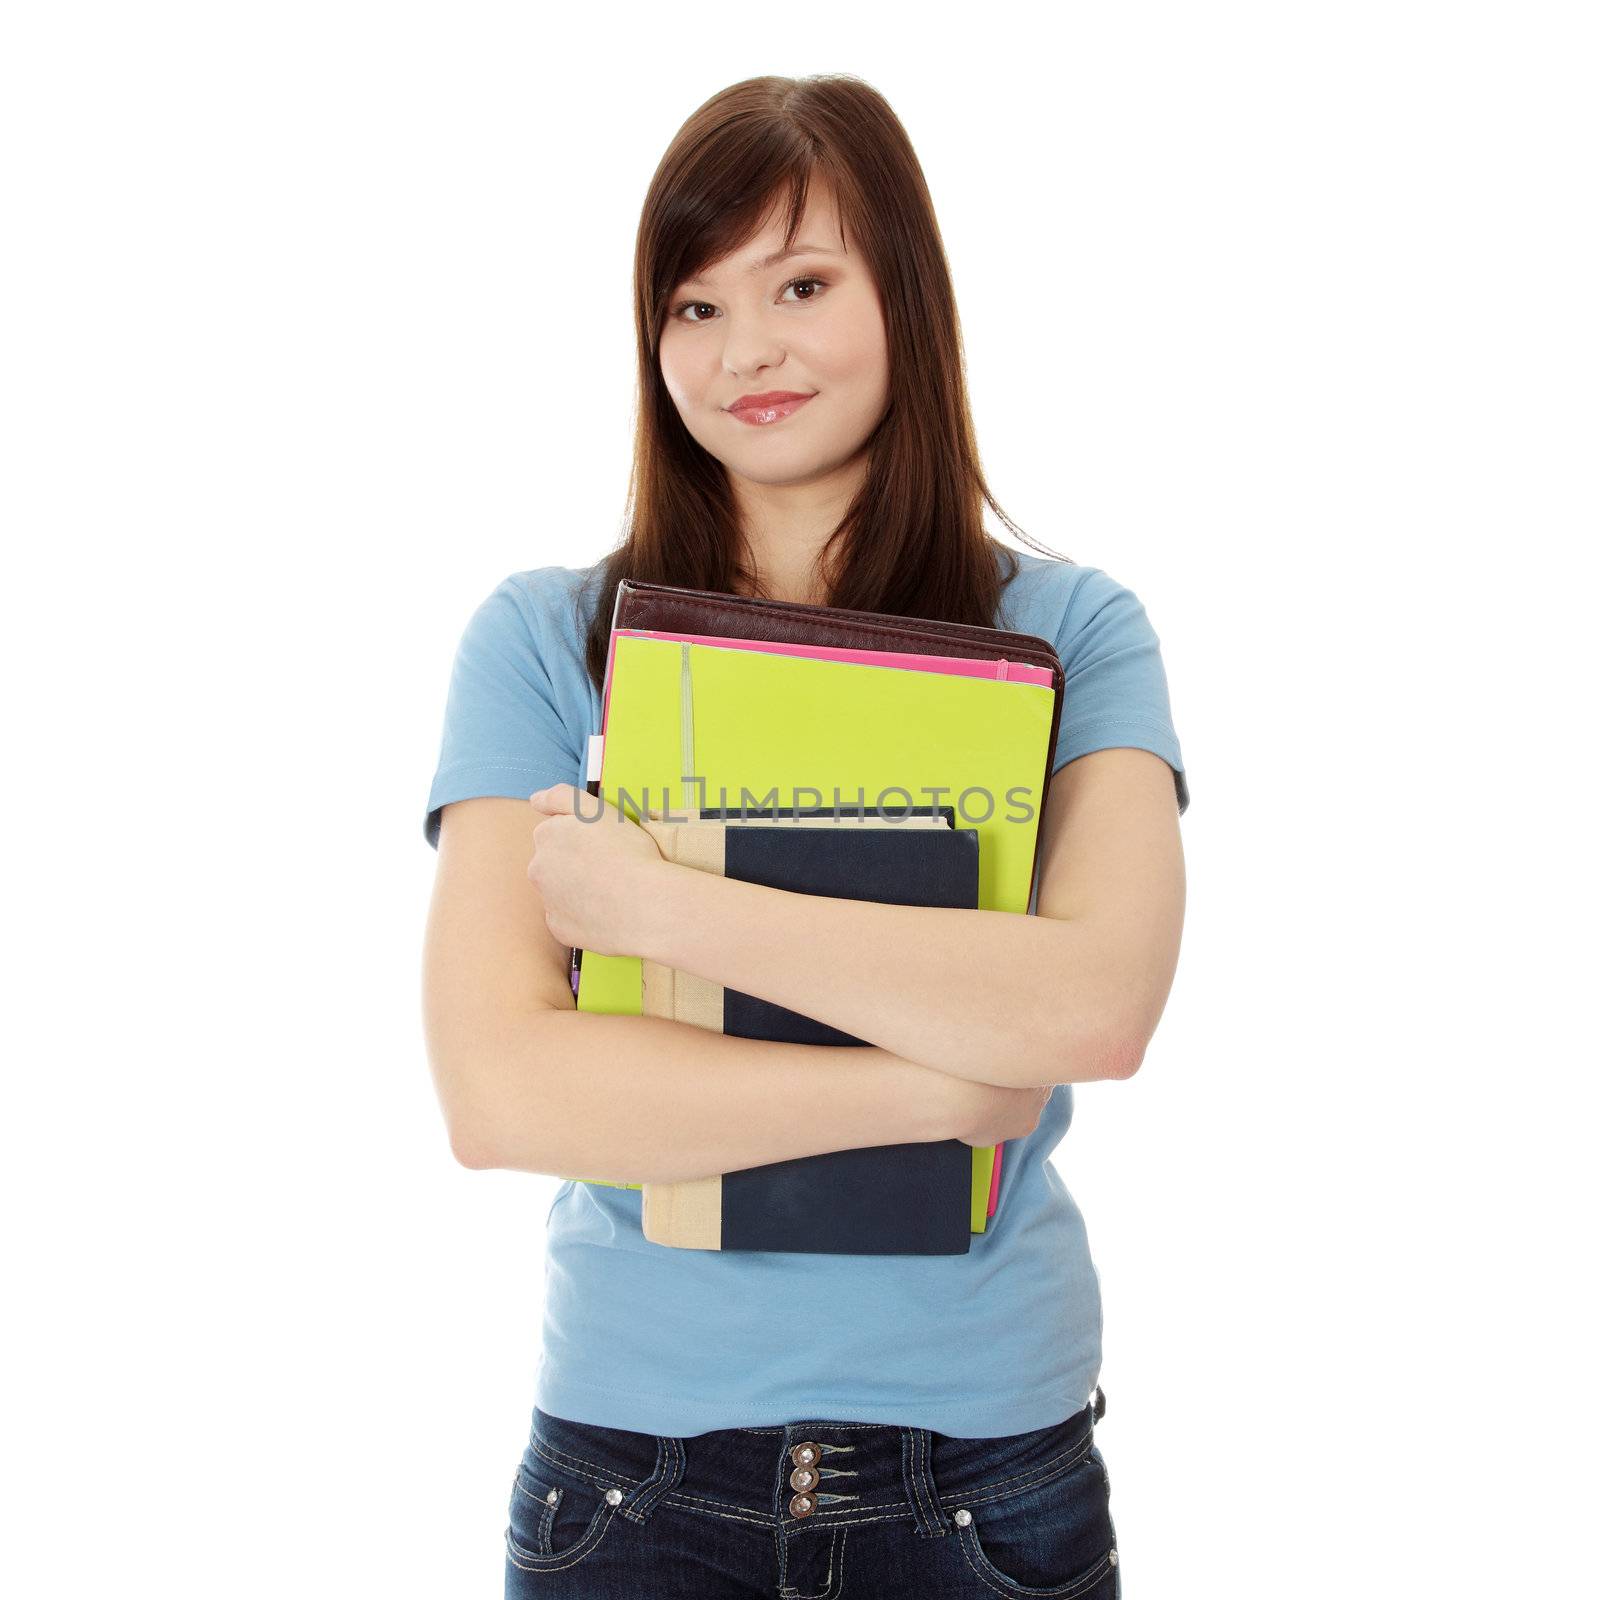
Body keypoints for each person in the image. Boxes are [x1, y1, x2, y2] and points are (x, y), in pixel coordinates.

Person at [421, 72, 1187, 1599]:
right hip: (629, 1485)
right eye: (693, 308)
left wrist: (663, 911)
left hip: (986, 1474)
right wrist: (945, 1076)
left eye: (802, 284)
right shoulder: (543, 641)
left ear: (905, 293)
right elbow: (501, 1093)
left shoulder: (1070, 632)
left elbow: (1096, 1008)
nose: (746, 349)